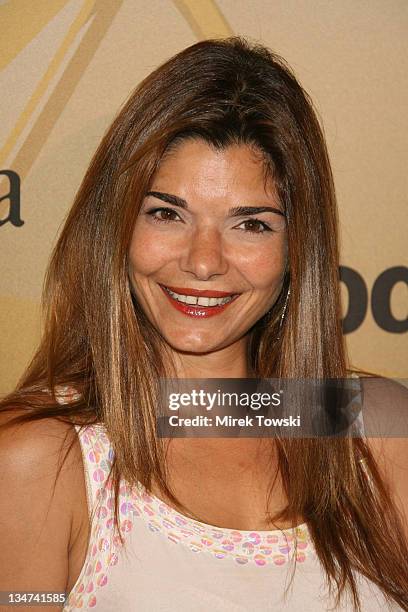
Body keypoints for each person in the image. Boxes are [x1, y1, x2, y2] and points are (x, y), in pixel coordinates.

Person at [0, 37, 407, 612]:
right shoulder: (42, 457)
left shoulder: (372, 428)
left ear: (297, 248)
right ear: (116, 225)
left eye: (252, 225)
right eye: (167, 213)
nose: (204, 261)